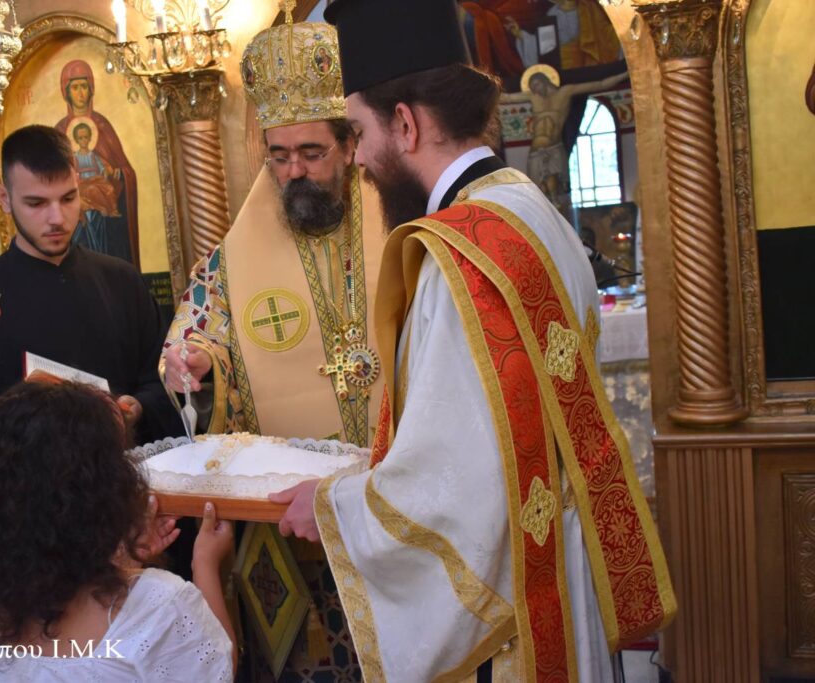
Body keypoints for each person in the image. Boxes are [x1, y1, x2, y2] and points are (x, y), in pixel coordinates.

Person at [272, 0, 677, 680]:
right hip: (559, 572)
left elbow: (454, 488)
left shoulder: (453, 260)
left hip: (514, 609)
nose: (360, 158)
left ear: (405, 123)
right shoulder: (529, 209)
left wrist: (332, 506)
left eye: (357, 131)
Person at [161, 16, 387, 682]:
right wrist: (198, 363)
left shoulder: (404, 227)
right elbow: (194, 335)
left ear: (350, 144)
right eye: (279, 155)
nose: (296, 171)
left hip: (382, 510)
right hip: (281, 535)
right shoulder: (238, 254)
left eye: (312, 153)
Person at [0, 381, 235, 682]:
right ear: (103, 492)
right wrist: (205, 563)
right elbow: (218, 670)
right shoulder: (159, 607)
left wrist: (121, 559)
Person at [0, 125, 181, 444]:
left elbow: (164, 380)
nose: (57, 218)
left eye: (69, 197)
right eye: (36, 203)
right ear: (4, 198)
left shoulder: (122, 280)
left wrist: (136, 407)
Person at [500, 65, 627, 209]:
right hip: (535, 150)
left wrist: (626, 73)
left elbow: (601, 84)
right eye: (532, 87)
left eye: (536, 85)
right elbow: (507, 98)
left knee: (556, 192)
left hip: (555, 147)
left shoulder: (565, 92)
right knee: (539, 191)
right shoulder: (533, 96)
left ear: (545, 80)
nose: (535, 90)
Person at [55, 59, 139, 266]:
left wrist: (117, 173)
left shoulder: (103, 126)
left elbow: (125, 170)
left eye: (84, 86)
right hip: (75, 208)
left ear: (91, 88)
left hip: (105, 207)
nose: (80, 93)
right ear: (66, 91)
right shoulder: (59, 130)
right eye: (75, 87)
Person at [70, 121, 122, 254]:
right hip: (83, 187)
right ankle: (94, 251)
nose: (84, 140)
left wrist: (106, 171)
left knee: (106, 191)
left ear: (90, 138)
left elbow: (103, 169)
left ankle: (100, 252)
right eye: (80, 138)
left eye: (86, 137)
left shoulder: (94, 155)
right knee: (89, 217)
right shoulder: (74, 157)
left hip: (96, 185)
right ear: (76, 139)